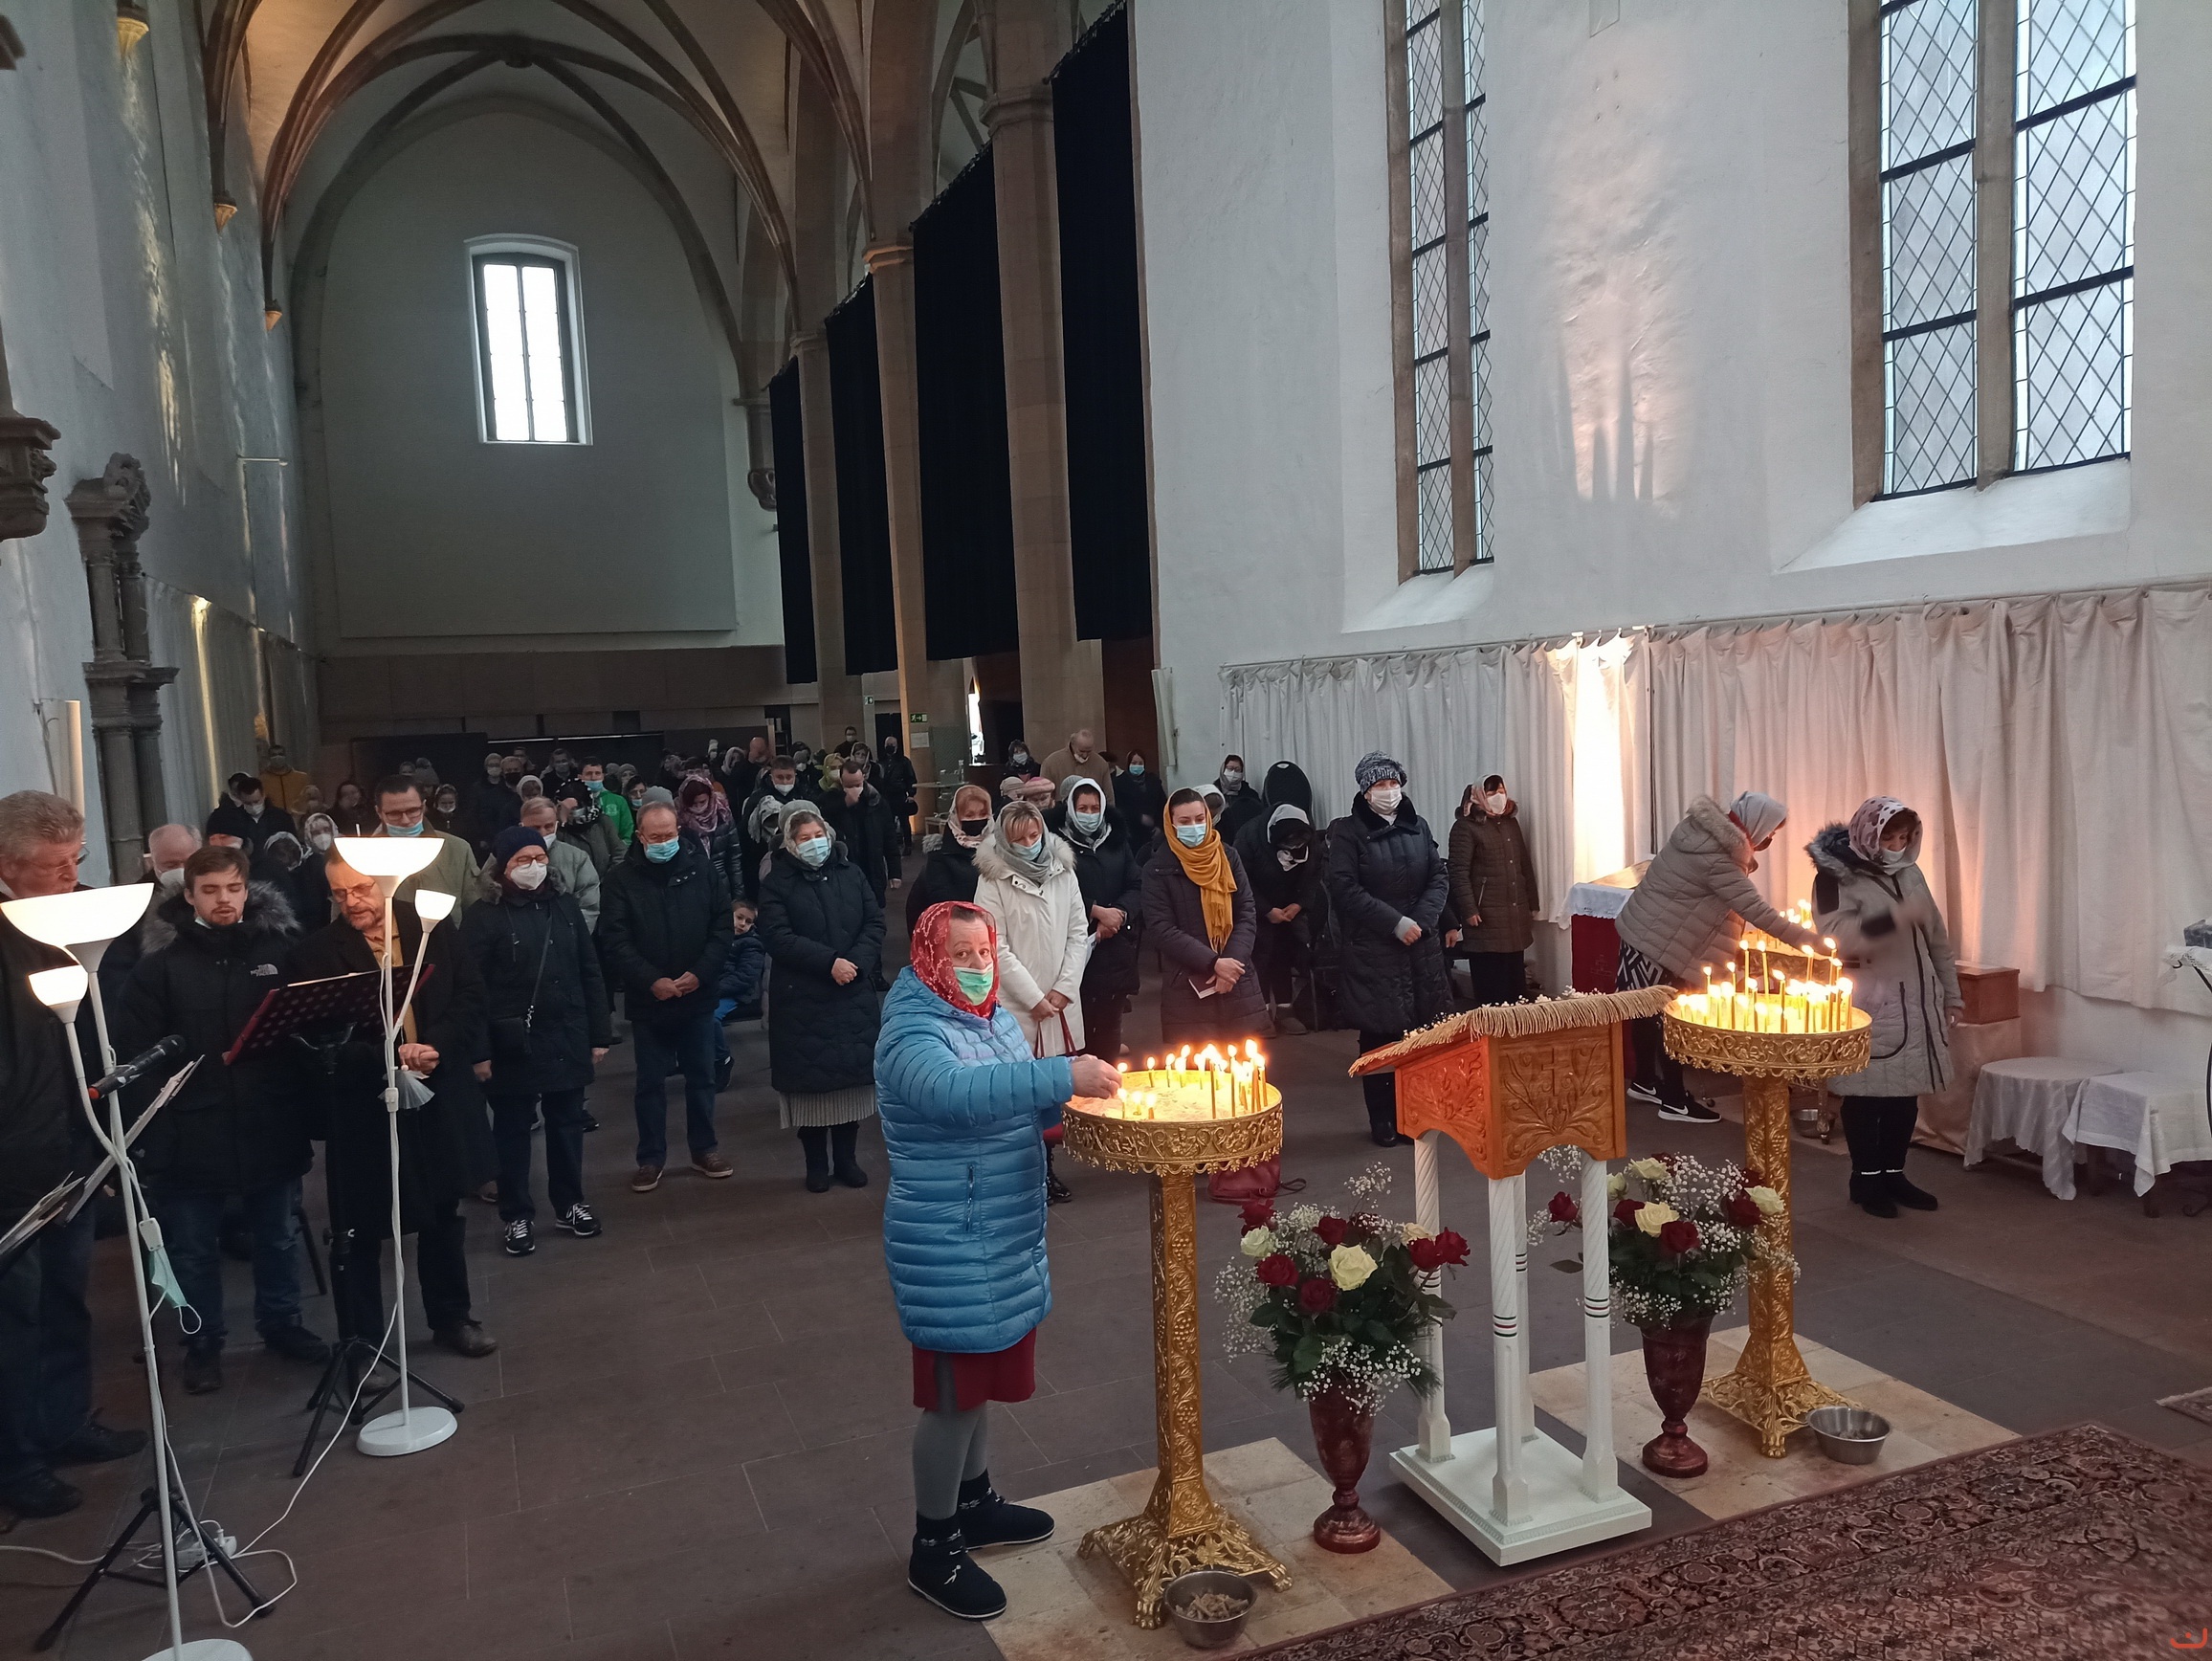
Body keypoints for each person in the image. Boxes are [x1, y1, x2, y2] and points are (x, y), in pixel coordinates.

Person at [876, 901, 1121, 1621]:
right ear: (929, 957)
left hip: (1002, 1232)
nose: (978, 967)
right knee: (953, 1398)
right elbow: (954, 1095)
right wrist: (1062, 1076)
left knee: (981, 1382)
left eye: (985, 952)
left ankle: (974, 1504)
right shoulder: (911, 1030)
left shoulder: (993, 1021)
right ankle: (934, 1546)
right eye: (961, 954)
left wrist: (1088, 1113)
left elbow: (1018, 1104)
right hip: (950, 1238)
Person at [117, 844, 327, 1394]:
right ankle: (202, 1341)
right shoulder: (160, 967)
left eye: (233, 888)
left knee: (277, 1235)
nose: (224, 900)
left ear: (247, 889)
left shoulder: (280, 950)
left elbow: (307, 1025)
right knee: (192, 1247)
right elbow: (138, 1051)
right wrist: (154, 1128)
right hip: (191, 1126)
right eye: (210, 891)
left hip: (269, 1115)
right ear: (189, 896)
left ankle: (282, 1323)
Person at [0, 793, 147, 1517]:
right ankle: (16, 1459)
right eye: (52, 866)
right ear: (7, 865)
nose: (70, 877)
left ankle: (64, 1422)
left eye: (75, 860)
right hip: (12, 1160)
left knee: (66, 1297)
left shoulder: (73, 914)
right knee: (14, 1317)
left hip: (73, 1143)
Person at [290, 850, 498, 1359]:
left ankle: (452, 1318)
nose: (352, 902)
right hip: (364, 1104)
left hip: (438, 1091)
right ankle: (363, 1342)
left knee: (443, 1212)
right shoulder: (316, 953)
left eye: (361, 889)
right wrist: (385, 1057)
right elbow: (315, 1035)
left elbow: (470, 994)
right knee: (360, 1228)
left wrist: (436, 1045)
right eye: (339, 894)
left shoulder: (431, 925)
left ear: (387, 881)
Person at [1615, 790, 1824, 1123]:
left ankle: (1644, 1082)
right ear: (1756, 825)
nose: (1770, 839)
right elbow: (1757, 911)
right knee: (1672, 1019)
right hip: (1662, 943)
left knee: (1646, 1012)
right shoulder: (1717, 858)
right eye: (1770, 832)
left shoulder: (1698, 833)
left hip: (1645, 931)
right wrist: (1816, 943)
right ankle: (1674, 1102)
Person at [1810, 798, 1962, 1218]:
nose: (1896, 847)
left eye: (1904, 838)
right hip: (1869, 1000)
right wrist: (1896, 918)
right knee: (1866, 1095)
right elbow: (1836, 937)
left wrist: (1951, 994)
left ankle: (1895, 1174)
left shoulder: (1910, 872)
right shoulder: (1833, 876)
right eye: (1888, 838)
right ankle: (1866, 1179)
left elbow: (1936, 937)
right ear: (1868, 834)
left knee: (1904, 1095)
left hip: (1918, 999)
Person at [461, 828, 609, 1256]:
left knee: (567, 1124)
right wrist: (479, 1051)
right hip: (512, 1040)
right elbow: (471, 990)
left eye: (540, 858)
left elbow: (589, 969)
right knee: (512, 1130)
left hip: (566, 1031)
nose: (534, 867)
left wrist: (599, 1033)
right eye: (522, 860)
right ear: (502, 867)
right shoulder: (483, 916)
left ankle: (570, 1203)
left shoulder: (564, 905)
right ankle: (517, 1214)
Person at [600, 802, 734, 1192]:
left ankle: (704, 1149)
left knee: (702, 1077)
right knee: (650, 1083)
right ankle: (651, 1158)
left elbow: (722, 927)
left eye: (670, 834)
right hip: (649, 1000)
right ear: (640, 837)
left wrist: (700, 973)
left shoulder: (703, 870)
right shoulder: (620, 880)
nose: (664, 842)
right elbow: (615, 939)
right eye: (656, 837)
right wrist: (650, 980)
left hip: (697, 994)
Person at [1327, 753, 1453, 1147]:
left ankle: (1414, 1115)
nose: (1389, 791)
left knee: (1422, 1036)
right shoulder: (1348, 833)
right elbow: (1344, 888)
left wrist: (1421, 921)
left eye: (1393, 783)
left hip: (1421, 947)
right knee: (1380, 1038)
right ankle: (1382, 1118)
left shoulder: (1418, 826)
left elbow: (1438, 876)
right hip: (1374, 950)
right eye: (1380, 785)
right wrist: (1394, 923)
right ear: (1366, 792)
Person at [758, 807, 885, 1192]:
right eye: (804, 838)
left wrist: (856, 963)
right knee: (809, 1084)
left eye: (818, 835)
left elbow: (874, 922)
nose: (814, 843)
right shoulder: (777, 882)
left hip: (852, 989)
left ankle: (847, 1160)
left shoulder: (851, 873)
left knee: (850, 1081)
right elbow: (777, 936)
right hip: (803, 997)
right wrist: (829, 963)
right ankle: (816, 1164)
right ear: (790, 843)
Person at [1144, 787, 1263, 1048]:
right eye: (1184, 822)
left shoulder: (1228, 856)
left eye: (1199, 819)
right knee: (1197, 1066)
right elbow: (1160, 928)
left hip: (1237, 979)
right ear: (1171, 824)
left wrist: (1231, 964)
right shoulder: (1158, 868)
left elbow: (1246, 911)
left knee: (1243, 1064)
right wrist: (1213, 963)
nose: (1194, 827)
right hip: (1187, 985)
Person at [974, 803, 1090, 1058]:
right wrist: (1033, 998)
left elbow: (1078, 932)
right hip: (1018, 1005)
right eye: (1018, 839)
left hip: (1061, 1004)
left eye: (1034, 835)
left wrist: (1065, 987)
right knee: (1022, 1073)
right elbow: (993, 945)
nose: (1028, 844)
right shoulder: (992, 880)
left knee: (1066, 1075)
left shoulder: (1064, 872)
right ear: (1005, 840)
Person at [1052, 780, 1141, 1067]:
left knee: (1109, 1033)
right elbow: (1055, 889)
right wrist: (1095, 911)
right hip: (1073, 951)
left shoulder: (1116, 841)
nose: (1089, 814)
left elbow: (1135, 884)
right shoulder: (1056, 844)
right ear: (1071, 808)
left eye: (1094, 808)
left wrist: (1119, 913)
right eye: (1083, 808)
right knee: (1076, 1037)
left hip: (1114, 947)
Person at [1449, 773, 1538, 1008]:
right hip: (1484, 916)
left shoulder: (1510, 823)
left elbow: (1523, 864)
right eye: (1491, 792)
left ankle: (1515, 1029)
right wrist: (1469, 909)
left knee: (1515, 986)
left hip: (1513, 914)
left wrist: (1532, 901)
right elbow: (1458, 872)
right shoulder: (1465, 827)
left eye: (1501, 791)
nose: (1498, 796)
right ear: (1478, 795)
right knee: (1492, 990)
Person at [1234, 801, 1325, 1034]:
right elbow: (1240, 879)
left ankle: (1285, 1011)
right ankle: (1261, 1012)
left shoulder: (1310, 839)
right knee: (1260, 958)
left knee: (1284, 955)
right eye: (1288, 845)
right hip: (1256, 908)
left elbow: (1314, 875)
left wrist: (1300, 904)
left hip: (1289, 909)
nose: (1294, 848)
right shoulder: (1249, 836)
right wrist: (1266, 910)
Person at [367, 774, 478, 919]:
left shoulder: (457, 849)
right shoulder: (362, 857)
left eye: (413, 811)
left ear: (424, 806)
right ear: (379, 812)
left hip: (447, 933)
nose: (405, 820)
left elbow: (475, 911)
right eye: (394, 813)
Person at [490, 795, 601, 931]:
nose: (542, 833)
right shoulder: (503, 854)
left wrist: (570, 935)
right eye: (535, 828)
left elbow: (588, 906)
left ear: (556, 825)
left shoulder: (577, 858)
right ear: (522, 826)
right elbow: (487, 890)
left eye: (548, 826)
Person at [906, 785, 993, 930]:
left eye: (983, 814)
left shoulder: (1000, 852)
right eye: (969, 815)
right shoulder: (939, 860)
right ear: (956, 817)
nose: (977, 820)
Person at [819, 759, 898, 906]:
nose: (854, 790)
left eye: (857, 785)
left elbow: (889, 837)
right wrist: (844, 803)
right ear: (841, 782)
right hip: (844, 869)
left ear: (863, 779)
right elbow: (822, 815)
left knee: (875, 909)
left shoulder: (877, 801)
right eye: (849, 786)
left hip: (873, 868)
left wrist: (895, 872)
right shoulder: (830, 799)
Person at [741, 754, 809, 904]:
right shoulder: (758, 799)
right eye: (780, 777)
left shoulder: (803, 795)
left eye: (789, 777)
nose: (784, 782)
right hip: (762, 858)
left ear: (795, 776)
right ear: (771, 776)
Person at [207, 770, 296, 853]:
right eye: (248, 803)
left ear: (263, 795)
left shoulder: (281, 817)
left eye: (256, 801)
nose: (253, 806)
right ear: (240, 799)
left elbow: (293, 846)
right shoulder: (232, 820)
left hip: (276, 863)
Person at [716, 899, 766, 1023]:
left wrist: (713, 990)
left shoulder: (752, 944)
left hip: (734, 994)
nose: (743, 924)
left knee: (711, 1017)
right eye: (739, 918)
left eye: (748, 922)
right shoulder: (716, 938)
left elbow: (745, 977)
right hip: (712, 990)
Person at [466, 750, 521, 855]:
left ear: (522, 770)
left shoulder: (528, 793)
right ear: (503, 772)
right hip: (501, 844)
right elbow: (486, 821)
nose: (512, 772)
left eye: (516, 769)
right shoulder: (490, 796)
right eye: (508, 770)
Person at [1040, 728, 1114, 807]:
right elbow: (1043, 796)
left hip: (1091, 811)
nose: (1085, 755)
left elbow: (1109, 797)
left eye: (1089, 751)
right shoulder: (1051, 763)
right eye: (1082, 751)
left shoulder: (1101, 764)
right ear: (1072, 744)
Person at [1116, 748, 1167, 858]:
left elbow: (1162, 804)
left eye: (1140, 763)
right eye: (1134, 763)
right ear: (1128, 764)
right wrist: (1139, 817)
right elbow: (1119, 807)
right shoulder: (1120, 782)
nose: (1137, 766)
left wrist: (1160, 826)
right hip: (1131, 833)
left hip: (1152, 833)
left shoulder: (1153, 781)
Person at [578, 758, 634, 847]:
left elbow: (628, 832)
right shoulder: (575, 803)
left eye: (597, 773)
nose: (593, 778)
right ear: (580, 777)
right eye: (589, 774)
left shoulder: (618, 801)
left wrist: (619, 850)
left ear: (603, 776)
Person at [293, 811, 336, 926]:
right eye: (316, 833)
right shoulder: (308, 865)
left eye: (326, 830)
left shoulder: (346, 855)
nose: (323, 836)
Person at [878, 736, 918, 854]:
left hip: (900, 795)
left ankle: (908, 845)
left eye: (892, 745)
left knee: (904, 821)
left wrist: (911, 794)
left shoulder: (904, 761)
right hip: (886, 795)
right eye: (888, 745)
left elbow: (911, 778)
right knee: (888, 822)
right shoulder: (881, 761)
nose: (889, 747)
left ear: (896, 746)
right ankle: (891, 846)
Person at [1213, 755, 1265, 843]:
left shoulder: (1250, 794)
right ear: (1223, 769)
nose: (1233, 773)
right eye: (1230, 769)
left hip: (1244, 839)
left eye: (1237, 770)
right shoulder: (1214, 793)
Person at [257, 744, 313, 814]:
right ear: (269, 758)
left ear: (285, 756)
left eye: (280, 754)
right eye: (274, 755)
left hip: (299, 817)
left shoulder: (302, 778)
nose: (277, 757)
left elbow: (309, 799)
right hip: (275, 817)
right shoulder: (262, 780)